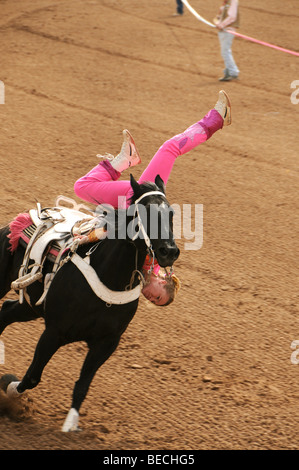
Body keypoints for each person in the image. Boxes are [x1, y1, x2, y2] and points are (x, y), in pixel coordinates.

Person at [74, 91, 232, 306]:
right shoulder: (158, 259)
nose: (150, 298)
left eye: (152, 301)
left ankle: (125, 160)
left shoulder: (134, 275)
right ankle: (215, 119)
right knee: (82, 187)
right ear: (165, 280)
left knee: (168, 149)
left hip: (141, 200)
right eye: (158, 296)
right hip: (138, 199)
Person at [214, 0, 240, 81]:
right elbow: (219, 16)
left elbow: (232, 17)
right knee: (225, 51)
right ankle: (230, 71)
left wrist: (221, 24)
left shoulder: (233, 1)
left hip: (228, 30)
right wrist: (217, 22)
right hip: (224, 30)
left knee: (225, 51)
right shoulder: (226, 3)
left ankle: (232, 72)